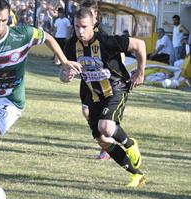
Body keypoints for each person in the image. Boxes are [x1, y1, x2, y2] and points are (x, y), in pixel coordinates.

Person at [0, 0, 81, 197]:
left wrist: (63, 62)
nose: (0, 26)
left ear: (9, 18)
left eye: (4, 20)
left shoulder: (22, 34)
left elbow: (48, 38)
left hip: (11, 102)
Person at [61, 8, 147, 187]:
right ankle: (136, 175)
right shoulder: (71, 45)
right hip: (93, 96)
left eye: (84, 26)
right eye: (77, 27)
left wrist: (140, 72)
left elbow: (140, 45)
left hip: (116, 88)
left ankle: (130, 144)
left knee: (106, 126)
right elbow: (62, 73)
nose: (80, 31)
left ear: (94, 24)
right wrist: (66, 75)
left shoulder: (106, 41)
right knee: (102, 140)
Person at [79, 0, 110, 160]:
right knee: (87, 112)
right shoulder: (79, 31)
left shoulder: (103, 33)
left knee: (102, 119)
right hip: (87, 81)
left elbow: (119, 50)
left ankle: (107, 146)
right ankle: (106, 144)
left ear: (95, 15)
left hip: (104, 81)